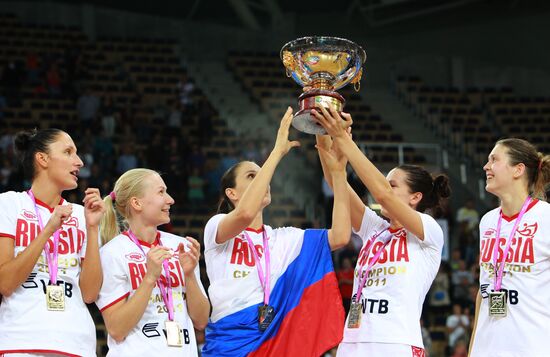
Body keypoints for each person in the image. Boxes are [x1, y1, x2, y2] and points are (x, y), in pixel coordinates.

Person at [202, 107, 351, 356]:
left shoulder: (283, 238)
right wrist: (276, 153)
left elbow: (341, 236)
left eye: (263, 176)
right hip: (229, 345)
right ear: (232, 193)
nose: (263, 180)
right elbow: (245, 214)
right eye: (252, 176)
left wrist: (338, 175)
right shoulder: (217, 227)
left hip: (275, 341)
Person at [313, 106, 451, 357]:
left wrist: (343, 139)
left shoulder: (428, 230)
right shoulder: (375, 229)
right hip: (353, 341)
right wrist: (322, 134)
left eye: (392, 184)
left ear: (415, 197)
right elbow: (337, 184)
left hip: (395, 343)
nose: (385, 188)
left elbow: (383, 196)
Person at [0, 128, 104, 356]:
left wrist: (93, 227)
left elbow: (89, 294)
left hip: (76, 342)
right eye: (68, 152)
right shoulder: (9, 204)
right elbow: (5, 283)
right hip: (21, 340)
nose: (79, 162)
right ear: (42, 158)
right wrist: (48, 230)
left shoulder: (82, 215)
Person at [96, 168, 209, 356]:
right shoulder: (112, 252)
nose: (170, 199)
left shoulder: (180, 246)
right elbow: (116, 329)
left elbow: (201, 320)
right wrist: (149, 278)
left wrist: (189, 275)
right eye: (161, 192)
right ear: (136, 203)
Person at [469, 138, 550, 357]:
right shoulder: (487, 220)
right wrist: (472, 349)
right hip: (486, 348)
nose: (486, 166)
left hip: (531, 347)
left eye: (494, 160)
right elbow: (483, 289)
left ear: (518, 170)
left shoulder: (545, 217)